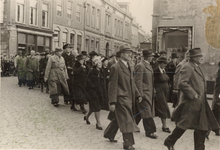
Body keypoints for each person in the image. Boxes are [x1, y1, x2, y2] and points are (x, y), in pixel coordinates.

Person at [164, 48, 219, 150]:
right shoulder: (187, 67)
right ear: (194, 58)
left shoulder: (196, 67)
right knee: (183, 125)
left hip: (200, 103)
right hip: (191, 103)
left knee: (201, 129)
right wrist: (193, 94)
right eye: (199, 57)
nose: (201, 58)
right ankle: (169, 141)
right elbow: (181, 83)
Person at [107, 44, 141, 150]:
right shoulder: (115, 67)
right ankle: (128, 144)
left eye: (130, 52)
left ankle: (109, 134)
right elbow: (112, 86)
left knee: (120, 118)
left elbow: (132, 83)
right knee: (126, 120)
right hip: (121, 98)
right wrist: (112, 102)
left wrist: (138, 94)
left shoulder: (130, 66)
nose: (130, 55)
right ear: (121, 54)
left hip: (129, 98)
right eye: (127, 52)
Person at [134, 49, 158, 139]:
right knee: (147, 112)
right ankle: (150, 131)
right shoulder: (140, 66)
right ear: (148, 57)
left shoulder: (148, 65)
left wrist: (153, 89)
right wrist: (139, 94)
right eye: (151, 56)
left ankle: (132, 125)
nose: (152, 58)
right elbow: (137, 81)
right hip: (144, 94)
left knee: (140, 112)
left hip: (149, 92)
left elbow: (150, 80)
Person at [85, 56, 107, 130]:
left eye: (101, 62)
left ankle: (87, 116)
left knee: (93, 108)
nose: (100, 64)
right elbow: (88, 82)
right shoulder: (92, 72)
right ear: (95, 63)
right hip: (93, 92)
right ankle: (98, 123)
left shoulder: (101, 71)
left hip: (100, 92)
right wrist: (94, 87)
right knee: (96, 107)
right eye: (99, 63)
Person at [153, 56, 171, 133]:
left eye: (165, 63)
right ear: (159, 63)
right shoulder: (156, 71)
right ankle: (165, 126)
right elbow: (153, 82)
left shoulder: (165, 70)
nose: (165, 65)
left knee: (162, 107)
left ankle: (164, 125)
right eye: (163, 63)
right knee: (164, 107)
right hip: (159, 91)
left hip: (165, 92)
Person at [212, 61, 220, 135]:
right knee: (216, 112)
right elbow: (218, 86)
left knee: (216, 112)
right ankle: (215, 129)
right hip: (219, 95)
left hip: (218, 95)